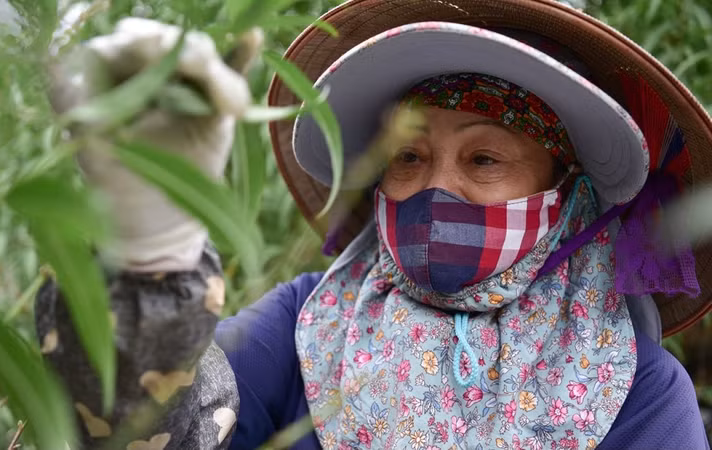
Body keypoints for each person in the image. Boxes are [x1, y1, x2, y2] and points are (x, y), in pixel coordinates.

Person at [39, 1, 712, 449]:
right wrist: (153, 245)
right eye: (408, 157)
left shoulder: (633, 389)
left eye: (484, 159)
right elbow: (148, 432)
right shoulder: (305, 326)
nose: (436, 187)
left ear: (565, 196)